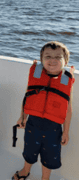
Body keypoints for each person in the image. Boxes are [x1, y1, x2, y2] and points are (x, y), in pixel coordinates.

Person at [12, 41, 75, 180]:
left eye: (57, 57)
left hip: (53, 129)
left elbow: (68, 110)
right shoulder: (37, 75)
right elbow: (28, 98)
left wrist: (66, 131)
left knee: (49, 156)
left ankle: (45, 178)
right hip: (32, 124)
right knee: (29, 151)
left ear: (65, 61)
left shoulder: (65, 80)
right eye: (47, 56)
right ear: (41, 60)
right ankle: (25, 170)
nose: (52, 60)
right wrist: (22, 117)